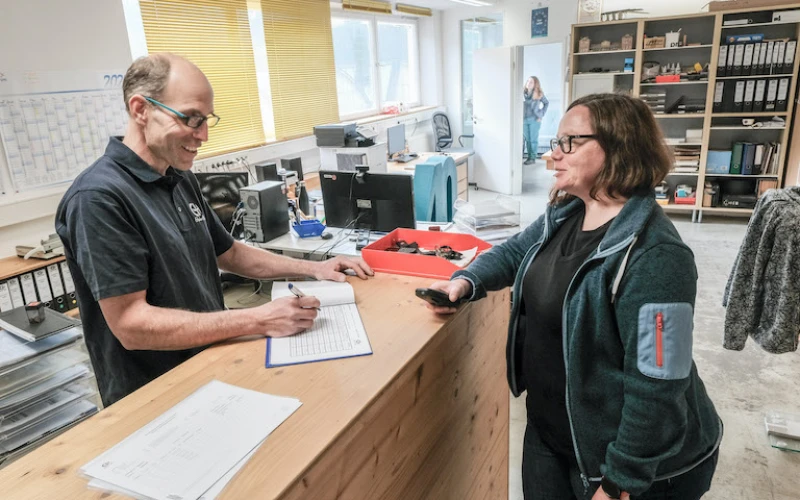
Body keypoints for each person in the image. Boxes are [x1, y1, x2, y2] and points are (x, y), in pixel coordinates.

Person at [425, 93, 722, 499]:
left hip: (629, 464)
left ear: (618, 147)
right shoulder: (567, 213)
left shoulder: (658, 258)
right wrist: (466, 281)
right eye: (555, 142)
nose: (554, 155)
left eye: (570, 142)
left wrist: (622, 481)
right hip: (552, 431)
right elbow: (515, 251)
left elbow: (659, 384)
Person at [55, 53, 373, 407]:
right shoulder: (98, 198)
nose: (203, 135)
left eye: (206, 120)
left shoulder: (178, 177)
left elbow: (230, 252)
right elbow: (130, 324)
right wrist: (258, 318)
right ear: (141, 109)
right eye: (191, 119)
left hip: (210, 362)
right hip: (153, 395)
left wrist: (315, 268)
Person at [523, 76, 548, 165]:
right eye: (528, 81)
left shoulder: (539, 94)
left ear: (535, 84)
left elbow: (546, 103)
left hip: (534, 120)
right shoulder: (522, 93)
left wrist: (541, 114)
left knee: (532, 139)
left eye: (531, 82)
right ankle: (528, 157)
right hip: (523, 120)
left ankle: (532, 158)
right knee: (527, 139)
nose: (529, 83)